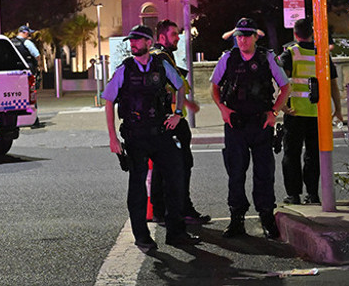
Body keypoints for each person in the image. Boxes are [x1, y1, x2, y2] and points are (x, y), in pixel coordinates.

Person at [103, 25, 200, 251]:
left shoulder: (161, 64)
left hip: (160, 132)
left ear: (149, 42)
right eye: (131, 41)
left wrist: (177, 115)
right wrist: (112, 138)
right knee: (137, 186)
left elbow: (180, 87)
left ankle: (176, 233)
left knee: (176, 178)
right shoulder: (124, 70)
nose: (132, 44)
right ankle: (142, 237)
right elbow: (108, 101)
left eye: (137, 40)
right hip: (136, 135)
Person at [211, 17, 290, 239]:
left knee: (264, 173)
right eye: (239, 36)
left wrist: (274, 112)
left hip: (260, 123)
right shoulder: (228, 58)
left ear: (255, 36)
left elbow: (285, 87)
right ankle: (237, 219)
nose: (242, 40)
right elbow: (214, 87)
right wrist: (222, 109)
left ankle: (266, 216)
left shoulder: (267, 58)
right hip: (235, 124)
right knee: (235, 172)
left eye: (247, 35)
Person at [148, 19, 210, 226]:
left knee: (160, 167)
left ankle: (160, 211)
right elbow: (168, 91)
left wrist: (186, 105)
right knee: (181, 166)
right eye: (174, 34)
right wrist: (182, 109)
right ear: (163, 36)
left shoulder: (156, 57)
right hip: (171, 122)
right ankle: (183, 210)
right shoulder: (162, 58)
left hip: (160, 122)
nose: (178, 38)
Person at [276, 18, 342, 205]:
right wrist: (337, 109)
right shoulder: (322, 54)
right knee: (313, 155)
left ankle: (293, 195)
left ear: (295, 34)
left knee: (291, 155)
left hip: (295, 112)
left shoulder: (290, 53)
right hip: (318, 113)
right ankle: (312, 194)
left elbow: (281, 82)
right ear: (312, 33)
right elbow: (333, 85)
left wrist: (280, 106)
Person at [12, 24, 45, 128]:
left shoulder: (11, 42)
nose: (29, 35)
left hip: (13, 74)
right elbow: (37, 55)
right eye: (29, 33)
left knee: (16, 96)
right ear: (25, 32)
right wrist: (39, 66)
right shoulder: (26, 42)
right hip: (27, 72)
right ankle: (34, 121)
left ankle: (16, 121)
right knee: (30, 95)